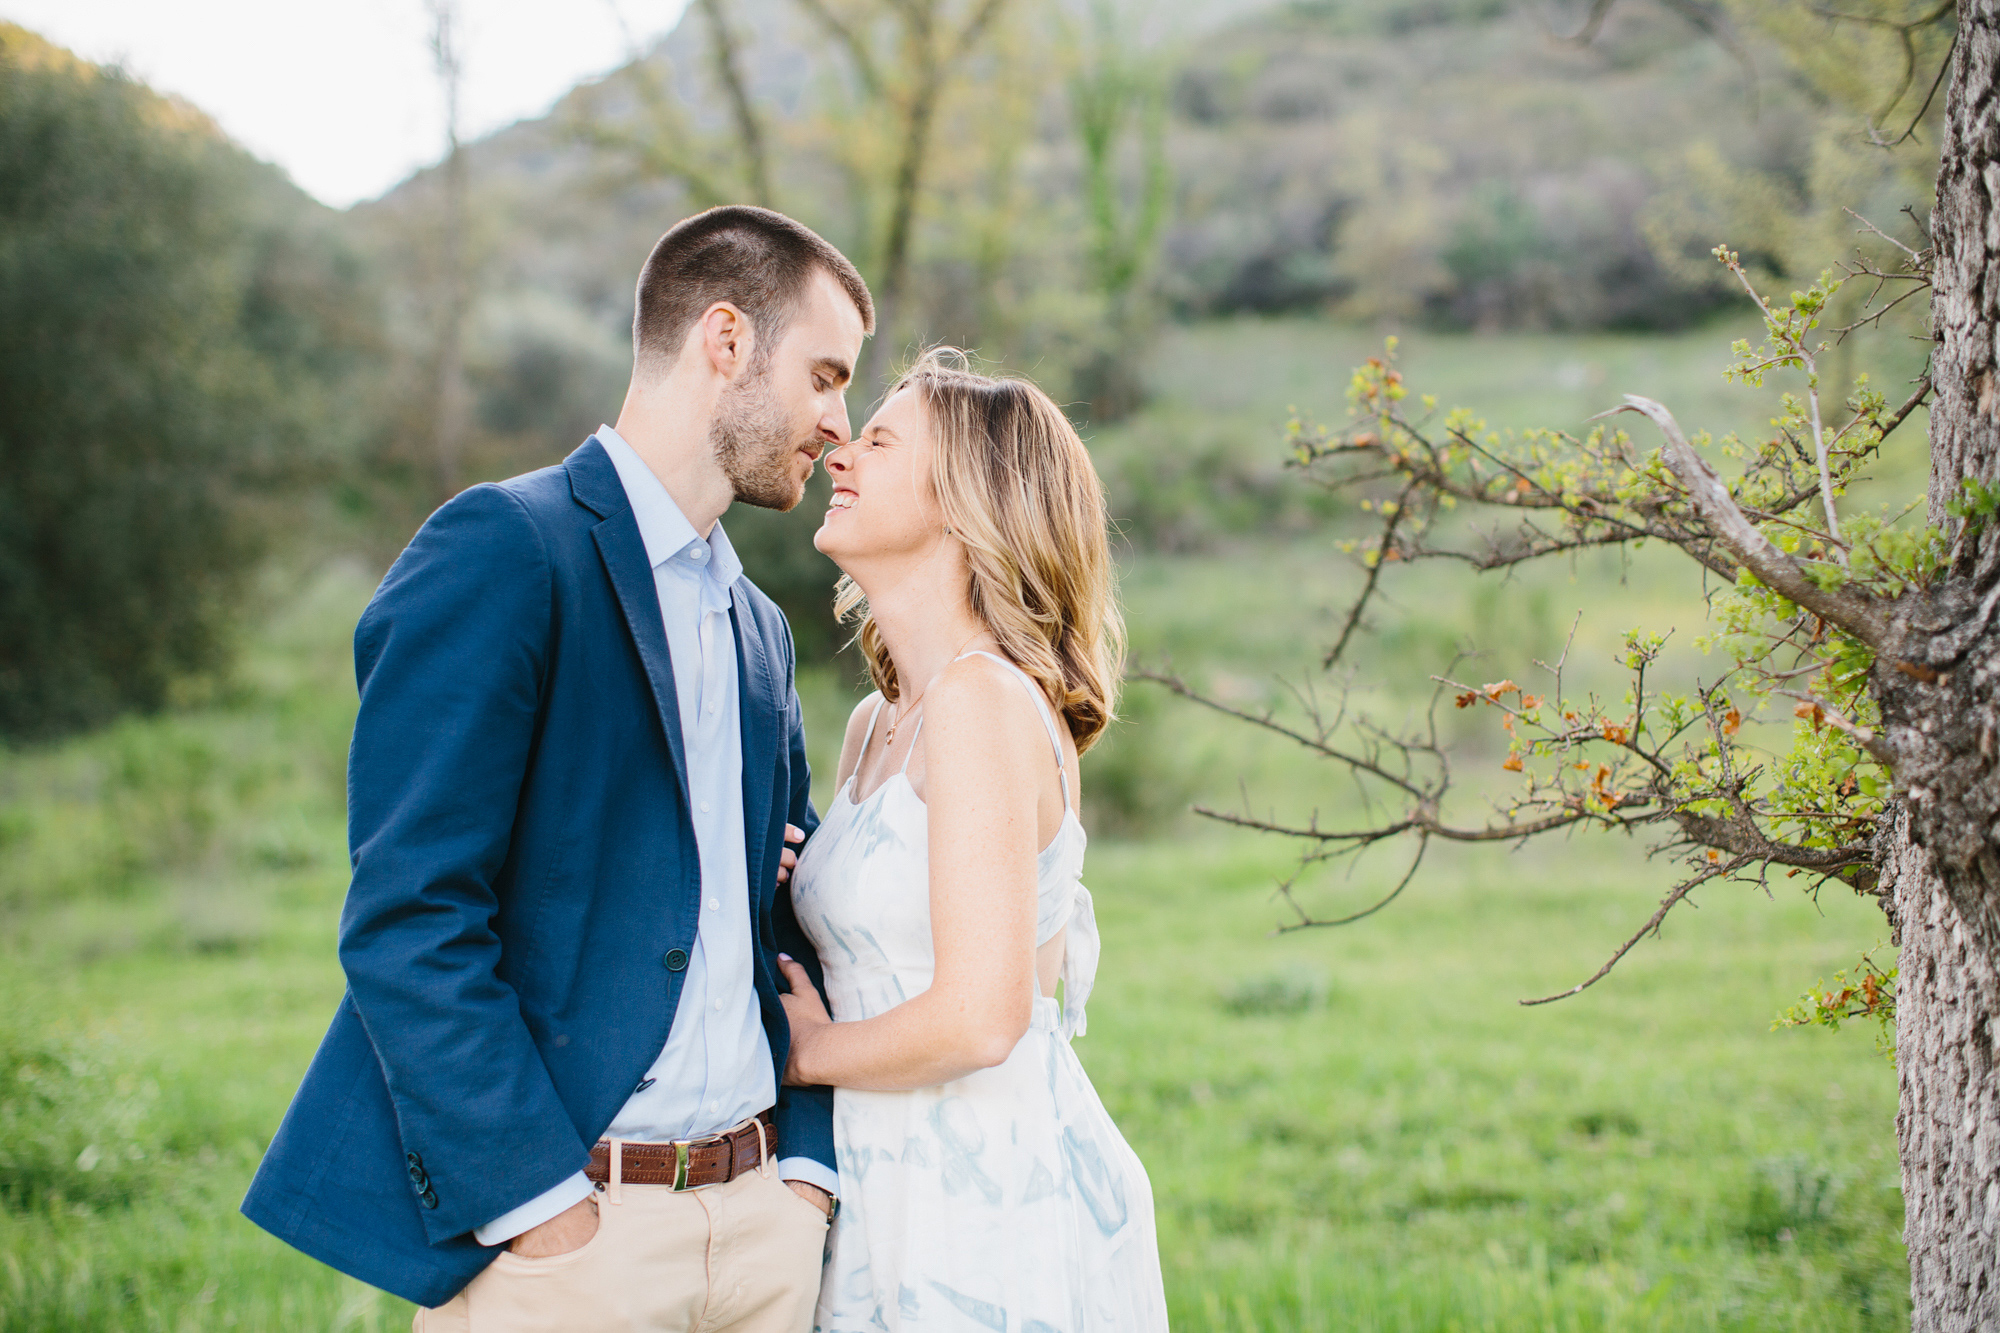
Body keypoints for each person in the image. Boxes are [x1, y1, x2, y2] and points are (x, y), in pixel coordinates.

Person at [241, 205, 873, 1331]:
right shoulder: (503, 549)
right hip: (579, 1244)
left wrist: (807, 1177)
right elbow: (409, 917)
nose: (838, 420)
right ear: (724, 340)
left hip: (767, 1236)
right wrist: (542, 1210)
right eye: (824, 376)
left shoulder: (758, 627)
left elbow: (781, 920)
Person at [777, 349, 1169, 1332]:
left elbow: (980, 1016)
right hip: (879, 1168)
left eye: (879, 439)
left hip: (980, 1192)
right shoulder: (878, 720)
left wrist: (801, 1049)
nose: (838, 451)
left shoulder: (981, 701)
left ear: (965, 500)